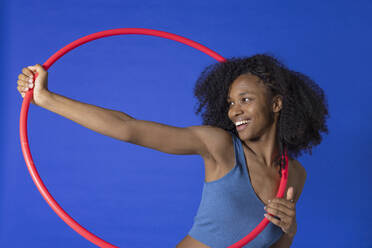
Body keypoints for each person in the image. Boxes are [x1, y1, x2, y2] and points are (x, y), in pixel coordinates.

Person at [17, 53, 329, 248]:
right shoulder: (219, 146)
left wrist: (290, 231)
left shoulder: (295, 175)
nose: (235, 111)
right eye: (231, 103)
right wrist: (45, 98)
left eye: (245, 99)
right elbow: (130, 128)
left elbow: (271, 244)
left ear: (276, 104)